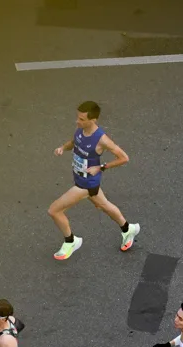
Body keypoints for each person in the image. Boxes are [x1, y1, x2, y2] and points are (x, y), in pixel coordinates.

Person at [49, 101, 141, 260]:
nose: (77, 121)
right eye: (77, 117)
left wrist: (101, 167)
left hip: (86, 184)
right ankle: (128, 229)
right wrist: (62, 148)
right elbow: (74, 143)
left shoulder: (102, 139)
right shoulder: (80, 130)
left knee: (54, 211)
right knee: (104, 205)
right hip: (80, 178)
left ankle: (71, 241)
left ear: (93, 120)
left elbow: (124, 158)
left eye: (82, 119)